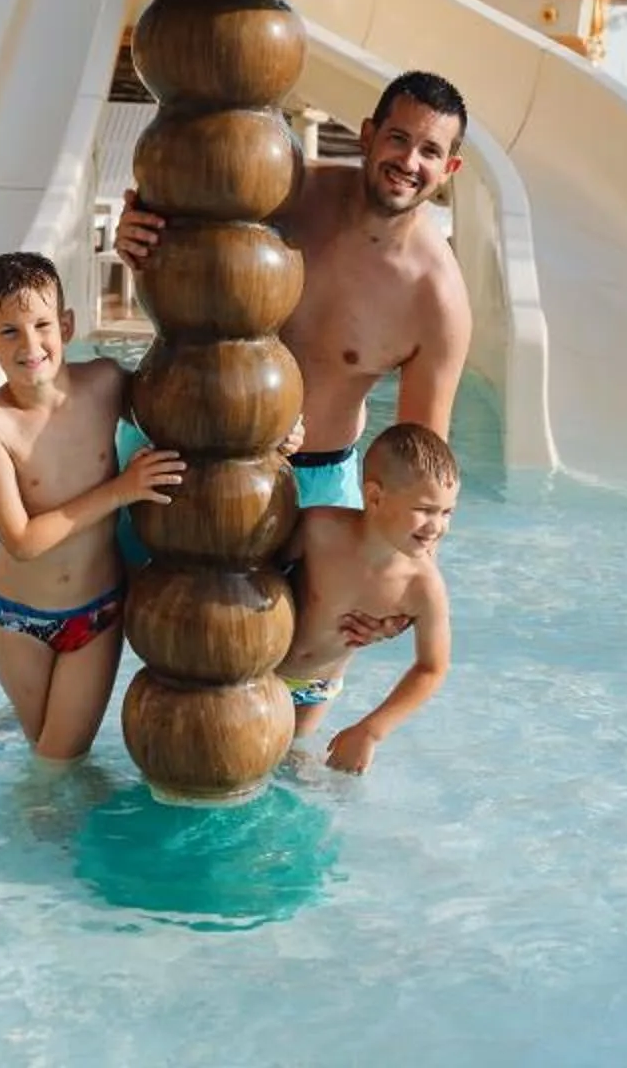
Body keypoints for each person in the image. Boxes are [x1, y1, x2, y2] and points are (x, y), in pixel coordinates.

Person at [116, 69, 473, 510]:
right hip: (180, 445)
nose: (409, 162)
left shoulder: (437, 299)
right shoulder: (287, 192)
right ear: (367, 135)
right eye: (398, 138)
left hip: (311, 479)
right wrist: (136, 234)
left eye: (430, 151)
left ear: (449, 169)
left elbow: (421, 468)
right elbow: (181, 245)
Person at [0, 251, 184, 760]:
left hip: (97, 614)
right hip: (19, 620)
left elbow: (181, 401)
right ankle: (2, 728)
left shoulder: (104, 383)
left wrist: (282, 434)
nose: (31, 344)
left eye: (42, 325)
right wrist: (121, 490)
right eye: (10, 331)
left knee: (61, 760)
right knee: (42, 751)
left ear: (66, 325)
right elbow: (20, 541)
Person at [274, 423, 459, 774]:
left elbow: (432, 668)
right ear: (374, 497)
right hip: (262, 669)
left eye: (447, 512)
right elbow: (262, 570)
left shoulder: (422, 587)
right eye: (425, 509)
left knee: (288, 766)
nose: (437, 526)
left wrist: (371, 731)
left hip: (314, 688)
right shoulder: (319, 530)